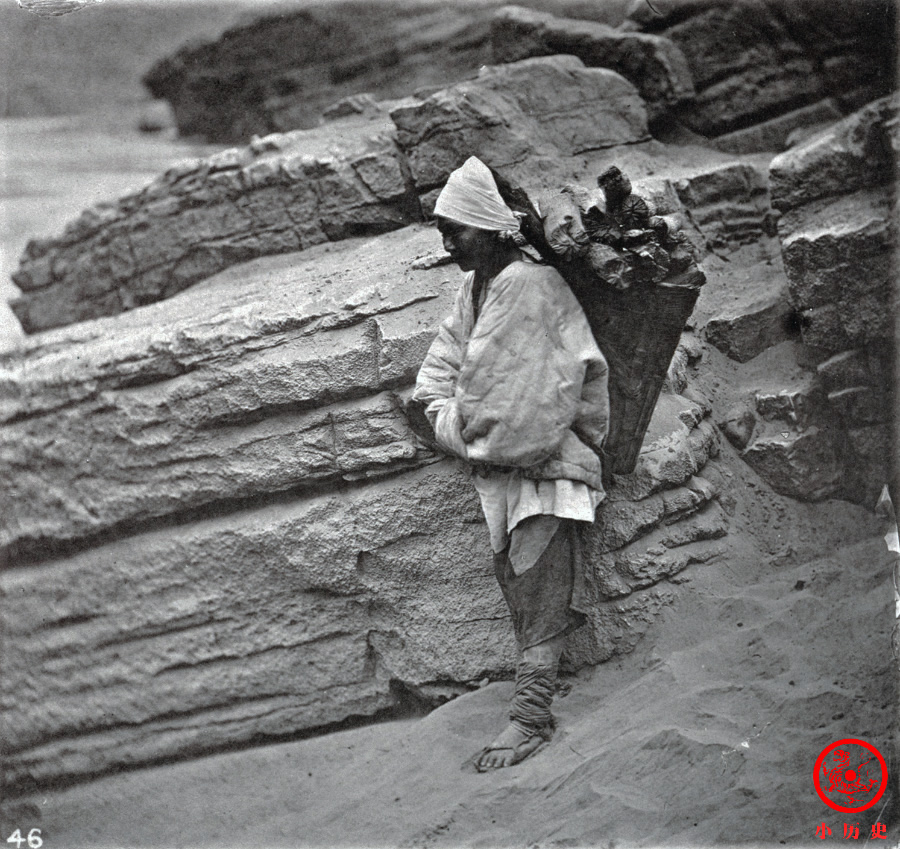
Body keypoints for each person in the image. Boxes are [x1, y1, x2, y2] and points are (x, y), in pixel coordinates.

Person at [413, 157, 610, 771]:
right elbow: (435, 378)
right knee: (518, 575)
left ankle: (530, 719)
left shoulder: (529, 286)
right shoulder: (475, 288)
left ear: (491, 227)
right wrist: (451, 418)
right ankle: (534, 701)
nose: (448, 243)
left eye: (457, 230)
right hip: (511, 463)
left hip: (553, 459)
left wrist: (441, 424)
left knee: (537, 580)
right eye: (442, 230)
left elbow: (507, 428)